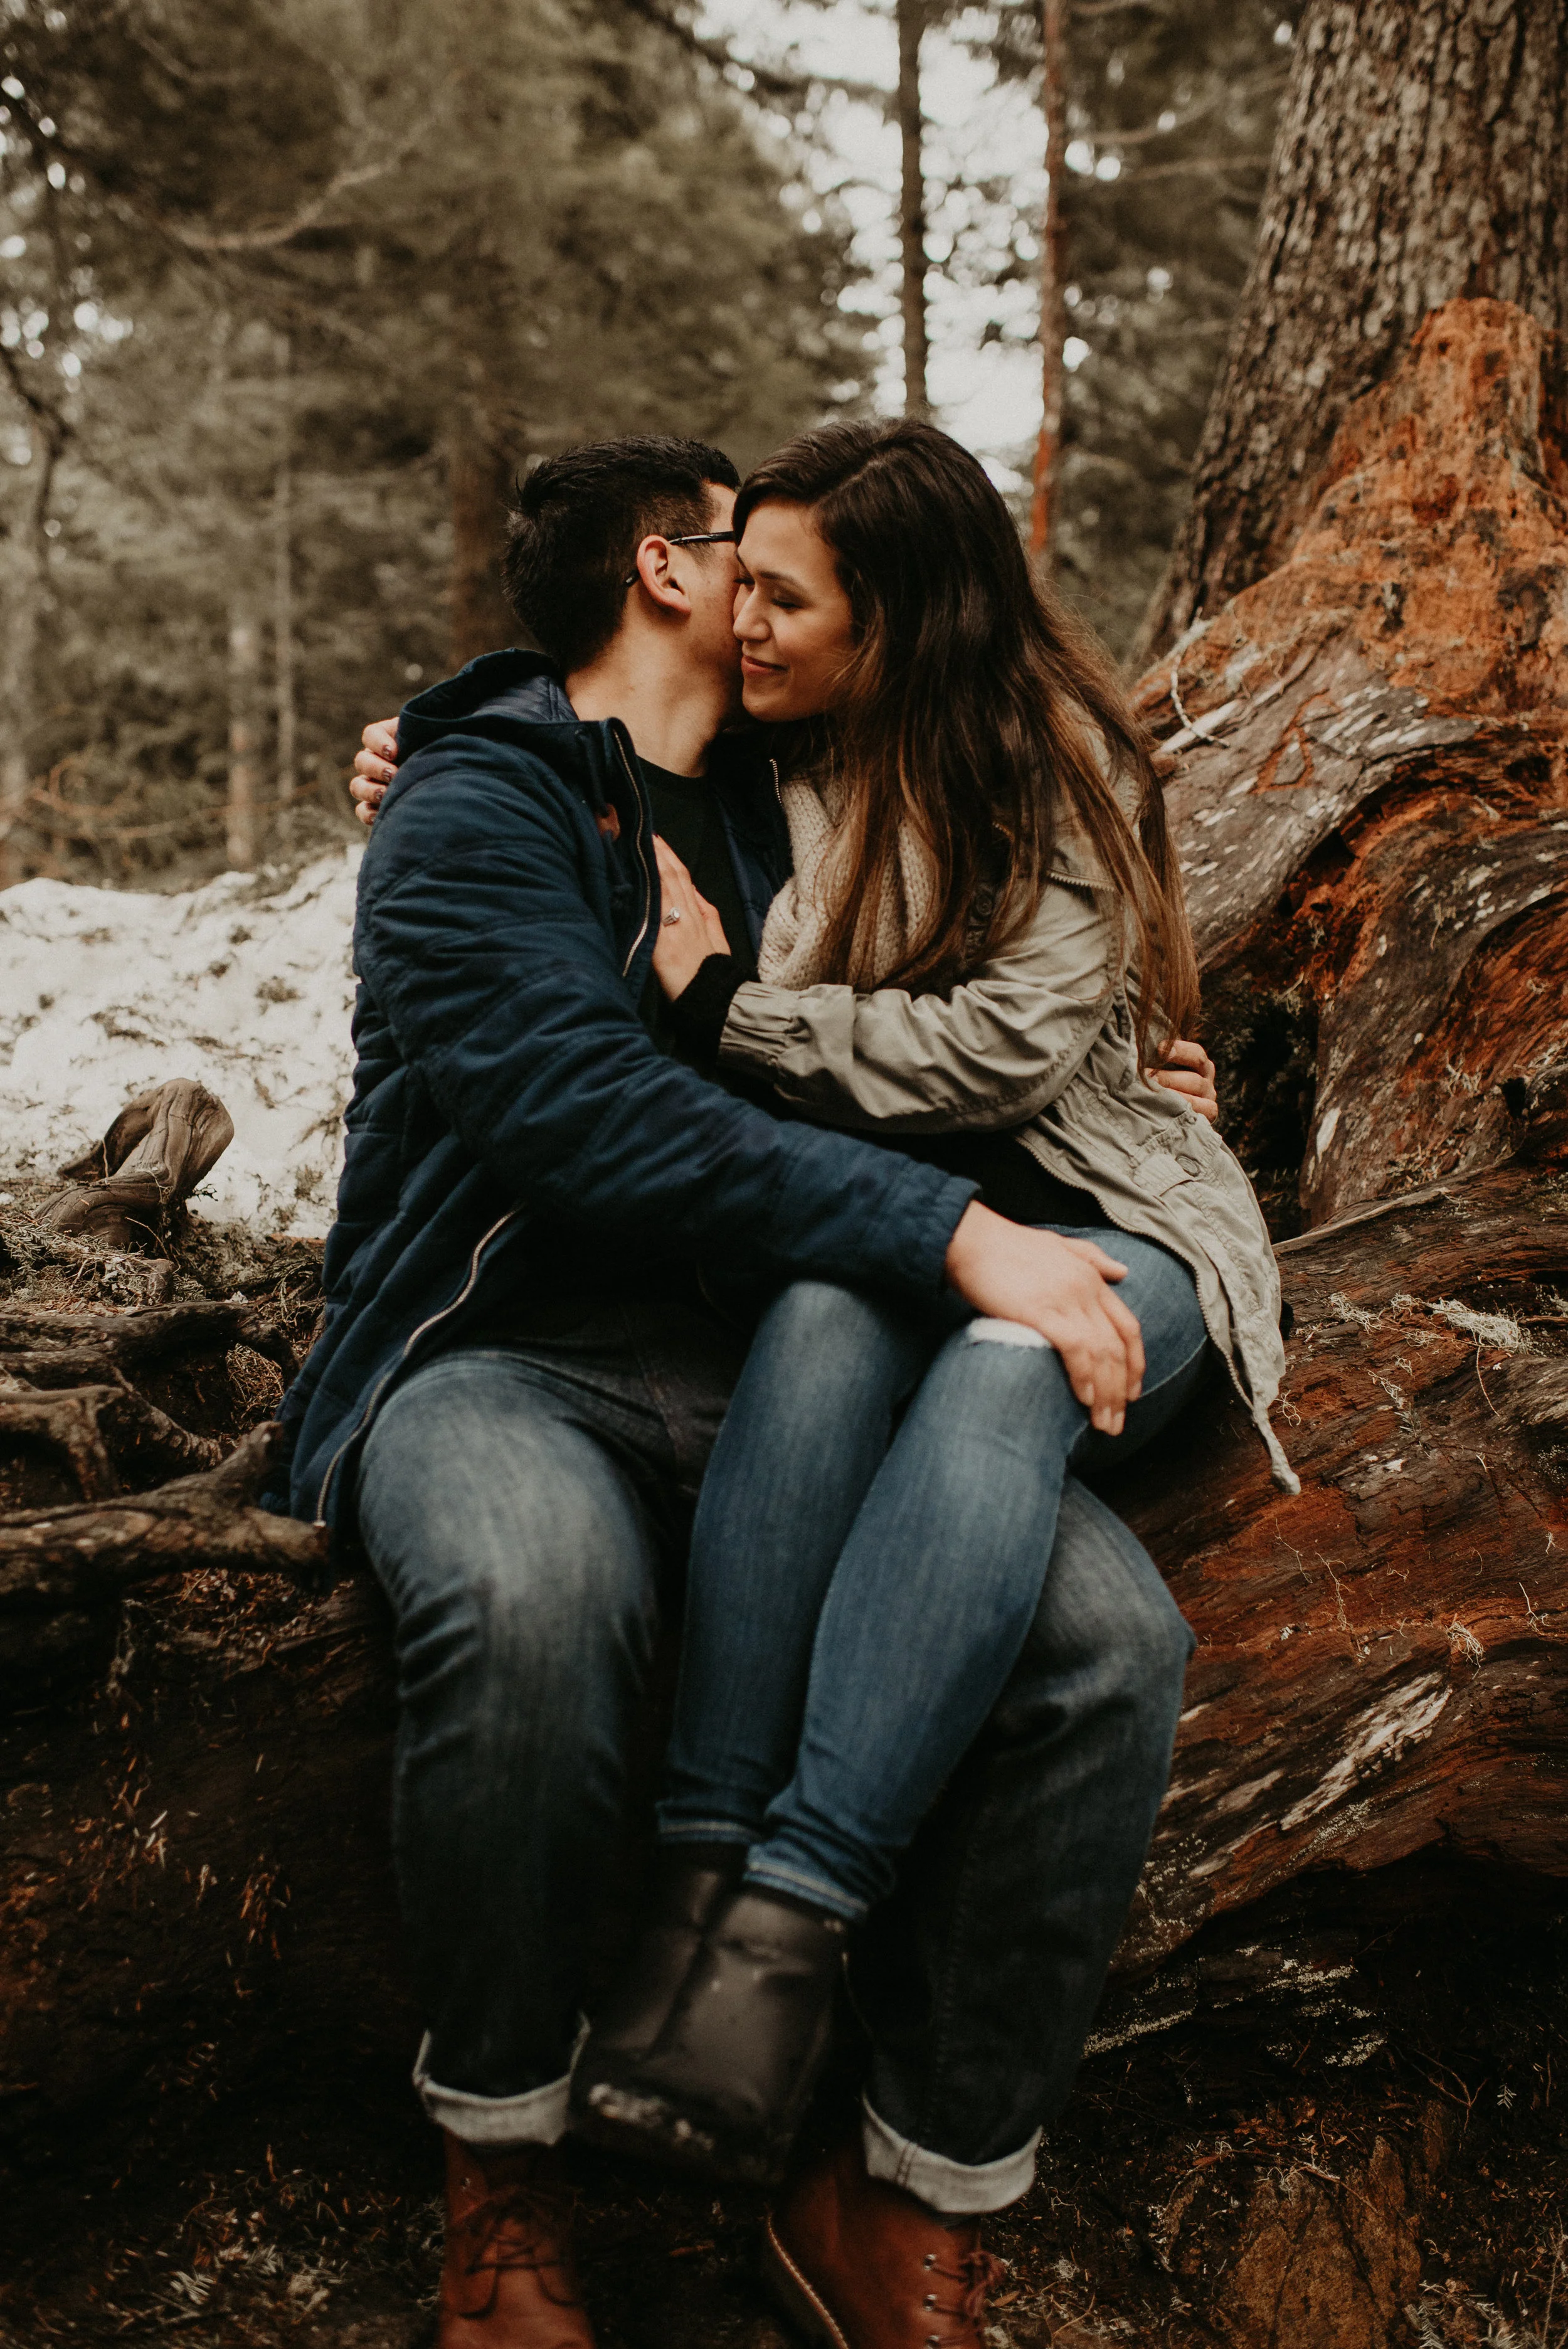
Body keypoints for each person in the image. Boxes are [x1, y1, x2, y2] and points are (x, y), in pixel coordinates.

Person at [324, 430, 1224, 2349]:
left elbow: (965, 971)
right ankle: (504, 2175)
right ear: (672, 571)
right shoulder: (481, 807)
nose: (775, 603)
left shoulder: (788, 780)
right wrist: (954, 1237)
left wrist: (1126, 1084)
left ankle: (909, 2182)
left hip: (793, 1359)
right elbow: (589, 1114)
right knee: (533, 1598)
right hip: (501, 1356)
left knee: (1105, 1653)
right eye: (750, 559)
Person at [551, 423, 1293, 2233]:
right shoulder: (769, 744)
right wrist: (426, 747)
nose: (746, 622)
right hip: (884, 1235)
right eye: (744, 584)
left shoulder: (1047, 770)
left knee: (1006, 1357)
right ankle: (698, 1898)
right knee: (825, 1314)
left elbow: (996, 1058)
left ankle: (782, 1938)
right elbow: (554, 718)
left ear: (899, 618)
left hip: (1108, 1229)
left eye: (786, 597)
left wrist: (733, 1009)